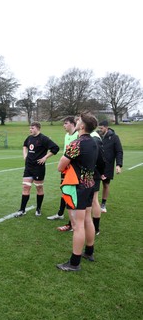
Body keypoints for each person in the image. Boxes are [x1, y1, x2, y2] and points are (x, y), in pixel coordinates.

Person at [56, 113, 99, 271]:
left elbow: (61, 166)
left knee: (78, 225)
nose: (76, 122)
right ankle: (89, 252)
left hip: (78, 187)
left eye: (79, 121)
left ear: (82, 126)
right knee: (87, 220)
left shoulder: (77, 143)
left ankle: (74, 263)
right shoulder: (94, 142)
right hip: (90, 185)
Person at [15, 121, 60, 217]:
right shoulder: (29, 138)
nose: (30, 129)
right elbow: (24, 146)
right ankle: (22, 209)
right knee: (26, 187)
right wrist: (25, 156)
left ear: (38, 128)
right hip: (28, 167)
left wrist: (45, 158)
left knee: (39, 188)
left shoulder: (43, 139)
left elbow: (55, 148)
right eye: (30, 128)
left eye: (32, 128)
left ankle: (38, 208)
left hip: (38, 168)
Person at [47, 116, 78, 231]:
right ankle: (60, 214)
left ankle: (72, 223)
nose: (63, 125)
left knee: (72, 194)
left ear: (72, 124)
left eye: (66, 123)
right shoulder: (66, 136)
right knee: (64, 191)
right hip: (66, 168)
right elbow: (66, 152)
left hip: (74, 171)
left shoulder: (78, 135)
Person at [98, 120, 123, 213]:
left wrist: (118, 165)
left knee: (105, 184)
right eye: (99, 128)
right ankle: (92, 203)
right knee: (93, 185)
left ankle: (103, 204)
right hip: (96, 165)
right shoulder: (96, 136)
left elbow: (119, 151)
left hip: (107, 166)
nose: (100, 130)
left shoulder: (114, 137)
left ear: (106, 128)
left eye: (101, 128)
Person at [90, 130, 106, 235]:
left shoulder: (94, 138)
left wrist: (101, 172)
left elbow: (100, 158)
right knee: (86, 200)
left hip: (92, 173)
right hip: (83, 173)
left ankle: (95, 228)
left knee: (94, 200)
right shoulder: (82, 137)